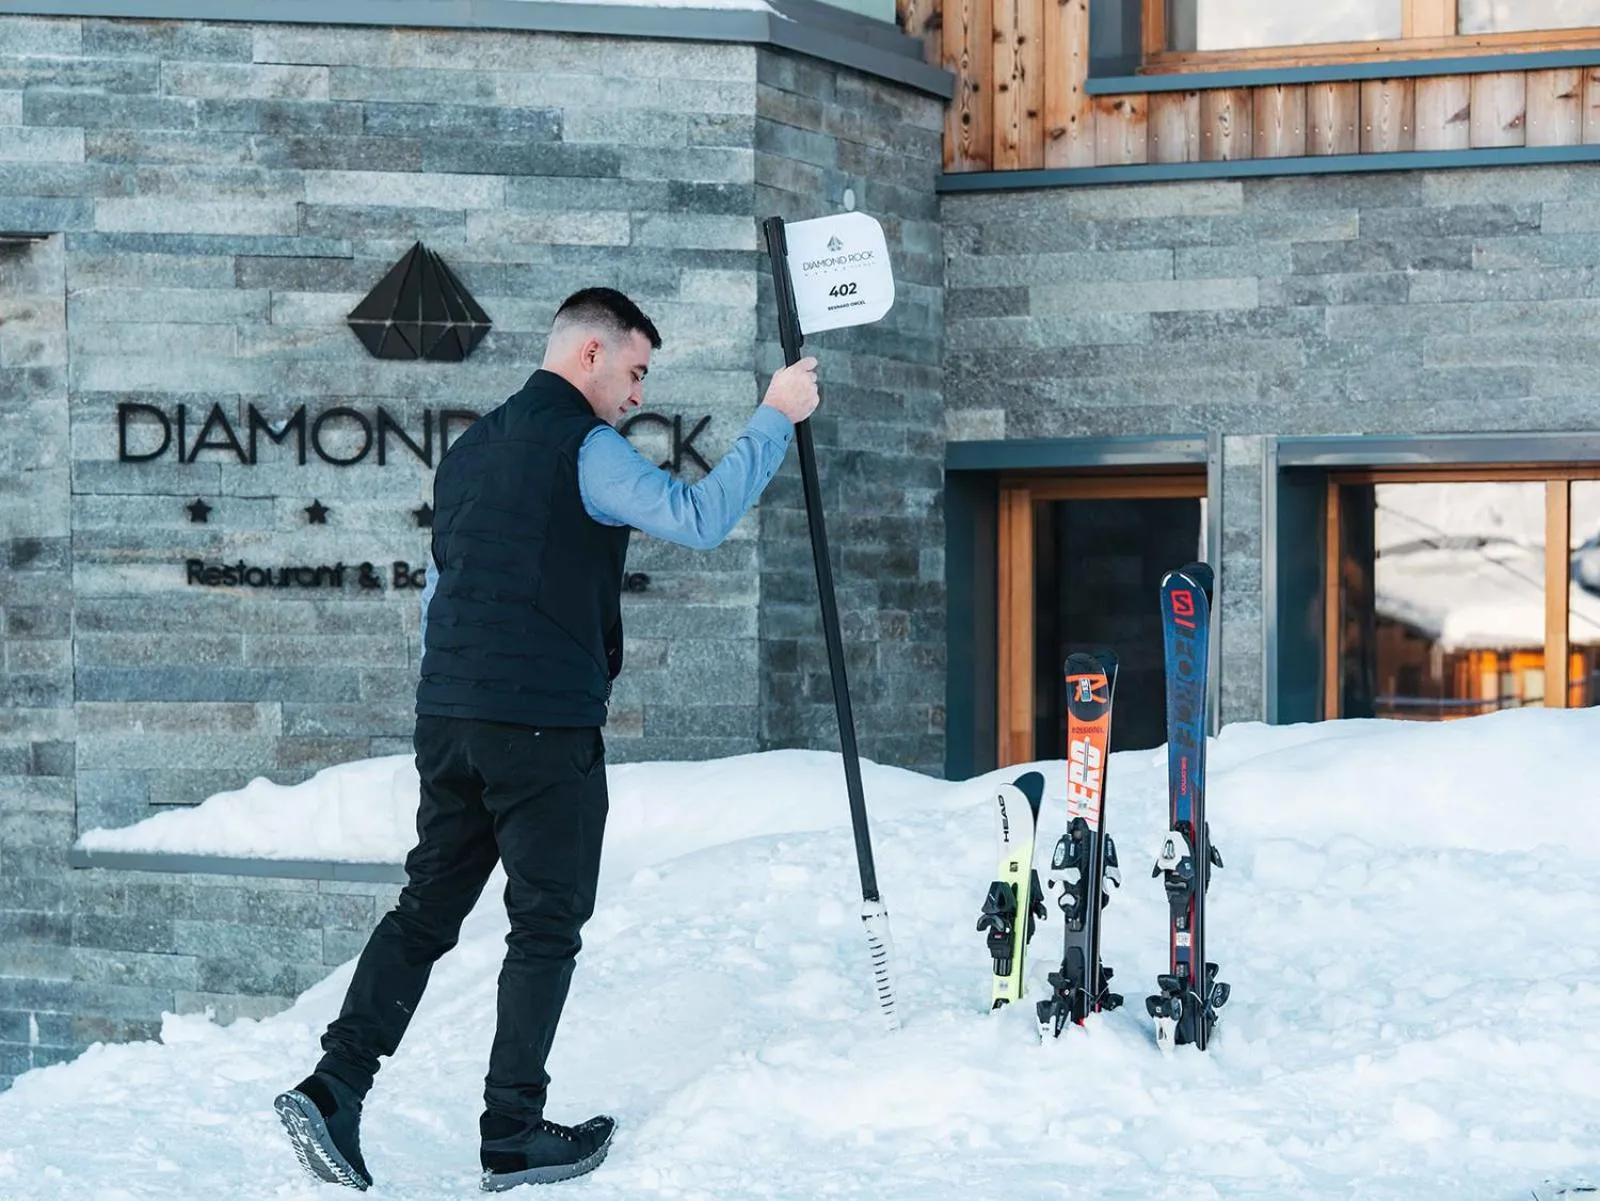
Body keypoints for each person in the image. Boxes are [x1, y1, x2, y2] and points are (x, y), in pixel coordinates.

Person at [274, 287, 820, 1192]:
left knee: (425, 910)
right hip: (541, 727)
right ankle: (512, 1132)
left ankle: (334, 1086)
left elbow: (435, 598)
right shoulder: (587, 447)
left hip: (449, 718)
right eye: (636, 371)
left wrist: (456, 694)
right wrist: (774, 414)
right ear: (592, 354)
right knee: (545, 926)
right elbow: (698, 518)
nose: (637, 394)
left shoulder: (470, 449)